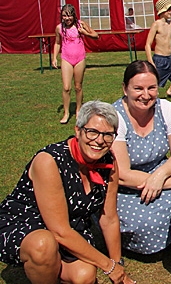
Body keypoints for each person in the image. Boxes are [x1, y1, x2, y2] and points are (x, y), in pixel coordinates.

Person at [0, 101, 134, 284]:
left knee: (85, 276)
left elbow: (108, 217)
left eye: (108, 135)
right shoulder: (50, 161)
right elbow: (59, 231)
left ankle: (52, 268)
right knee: (43, 245)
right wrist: (108, 266)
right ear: (78, 131)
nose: (100, 140)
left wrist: (118, 265)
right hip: (29, 225)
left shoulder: (108, 162)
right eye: (92, 132)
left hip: (71, 228)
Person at [111, 60, 171, 254]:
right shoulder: (115, 116)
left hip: (163, 176)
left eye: (152, 88)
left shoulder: (165, 108)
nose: (146, 95)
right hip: (126, 187)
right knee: (145, 224)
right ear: (125, 88)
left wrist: (159, 176)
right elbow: (123, 174)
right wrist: (168, 181)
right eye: (138, 88)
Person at [52, 4, 98, 124]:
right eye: (64, 16)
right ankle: (66, 113)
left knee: (78, 87)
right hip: (66, 58)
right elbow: (57, 43)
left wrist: (84, 33)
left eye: (69, 16)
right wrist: (54, 57)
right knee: (66, 87)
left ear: (73, 15)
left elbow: (96, 36)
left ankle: (78, 110)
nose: (67, 19)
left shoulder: (80, 24)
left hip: (79, 58)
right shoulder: (59, 28)